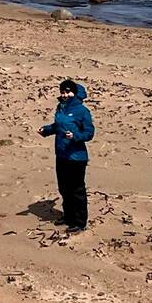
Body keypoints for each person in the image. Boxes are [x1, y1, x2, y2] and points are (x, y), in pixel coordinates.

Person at [38, 79, 94, 233]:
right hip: (61, 154)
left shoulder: (82, 111)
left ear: (74, 93)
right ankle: (68, 216)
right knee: (64, 188)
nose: (65, 95)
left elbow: (89, 133)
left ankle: (80, 222)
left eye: (68, 92)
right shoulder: (61, 108)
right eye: (62, 92)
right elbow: (58, 126)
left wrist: (74, 135)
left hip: (76, 157)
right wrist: (46, 130)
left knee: (77, 190)